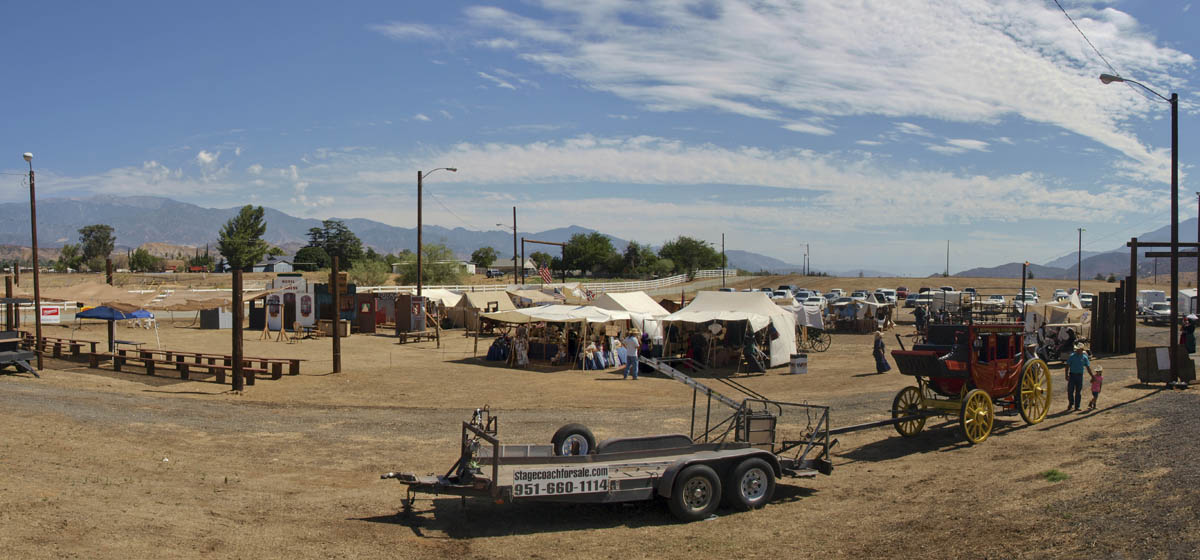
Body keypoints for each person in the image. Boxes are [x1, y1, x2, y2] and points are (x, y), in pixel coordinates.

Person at [1065, 343, 1094, 412]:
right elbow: (1067, 366)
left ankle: (1077, 406)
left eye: (1079, 349)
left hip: (1079, 376)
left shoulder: (1084, 357)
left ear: (1082, 350)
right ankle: (1071, 404)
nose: (1078, 350)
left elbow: (1088, 367)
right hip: (1072, 375)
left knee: (1078, 391)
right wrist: (1066, 375)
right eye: (1077, 349)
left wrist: (1092, 376)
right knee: (1070, 391)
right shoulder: (1072, 356)